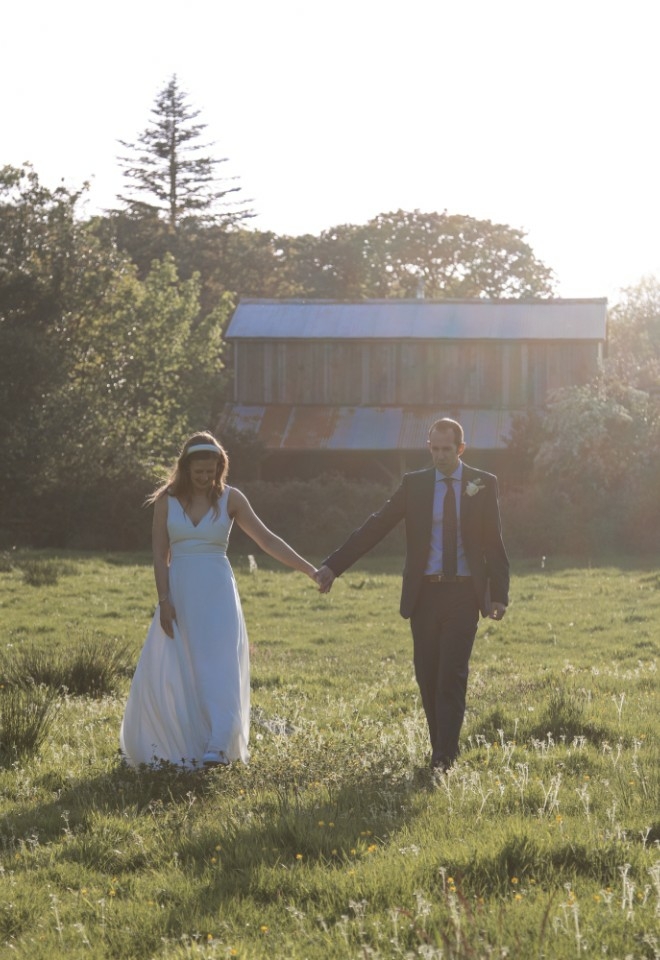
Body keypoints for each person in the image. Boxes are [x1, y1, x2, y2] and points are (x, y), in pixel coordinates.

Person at [315, 418, 509, 772]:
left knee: (452, 674)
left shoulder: (482, 483)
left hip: (465, 593)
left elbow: (494, 542)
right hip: (424, 594)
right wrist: (334, 566)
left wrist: (499, 595)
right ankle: (441, 747)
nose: (439, 456)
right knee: (428, 676)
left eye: (446, 449)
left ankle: (444, 759)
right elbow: (376, 525)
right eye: (433, 449)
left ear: (460, 449)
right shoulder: (415, 485)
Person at [120, 431, 318, 769]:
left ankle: (218, 744)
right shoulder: (166, 500)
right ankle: (181, 741)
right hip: (180, 590)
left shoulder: (232, 499)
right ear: (185, 468)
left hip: (217, 591)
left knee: (220, 664)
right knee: (179, 665)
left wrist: (311, 570)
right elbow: (158, 553)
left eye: (211, 471)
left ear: (219, 467)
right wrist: (163, 600)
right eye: (198, 472)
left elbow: (267, 540)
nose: (205, 478)